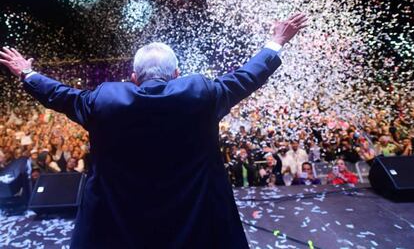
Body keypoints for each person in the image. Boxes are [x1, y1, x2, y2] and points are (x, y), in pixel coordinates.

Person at [0, 13, 307, 249]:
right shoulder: (200, 93)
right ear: (176, 74)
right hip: (197, 226)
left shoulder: (105, 100)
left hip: (118, 229)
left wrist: (26, 72)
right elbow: (247, 77)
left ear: (134, 77)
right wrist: (276, 41)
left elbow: (61, 95)